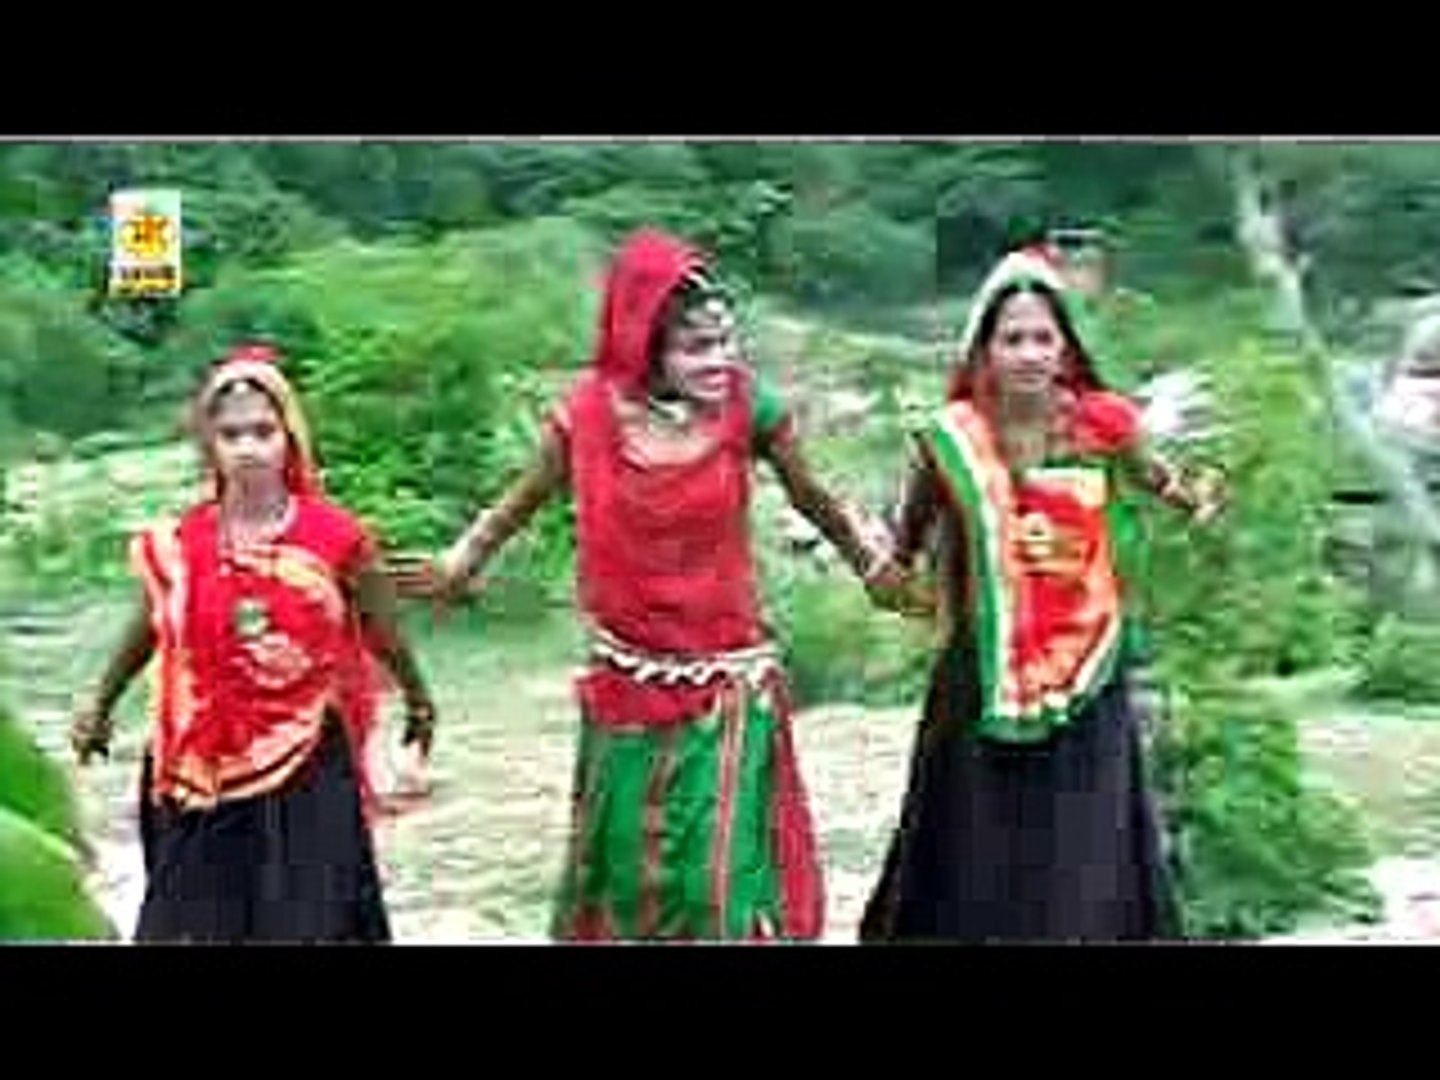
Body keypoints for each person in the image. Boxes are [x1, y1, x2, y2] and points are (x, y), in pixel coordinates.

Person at [391, 228, 898, 942]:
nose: (719, 361)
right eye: (696, 347)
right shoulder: (586, 417)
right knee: (629, 886)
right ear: (645, 346)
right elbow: (519, 502)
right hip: (626, 685)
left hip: (728, 685)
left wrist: (872, 567)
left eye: (726, 342)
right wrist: (460, 562)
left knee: (712, 889)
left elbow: (815, 498)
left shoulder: (750, 411)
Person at [858, 248, 1224, 943]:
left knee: (1081, 833)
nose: (1029, 354)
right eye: (1012, 339)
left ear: (1066, 347)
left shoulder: (1100, 423)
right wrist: (892, 572)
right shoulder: (952, 439)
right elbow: (911, 534)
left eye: (1042, 338)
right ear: (984, 350)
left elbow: (1154, 475)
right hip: (981, 670)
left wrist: (1193, 500)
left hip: (1086, 669)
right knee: (978, 833)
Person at [69, 343, 437, 943]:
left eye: (263, 432)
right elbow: (149, 628)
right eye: (231, 434)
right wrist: (100, 706)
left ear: (289, 437)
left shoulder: (336, 538)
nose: (248, 448)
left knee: (306, 921)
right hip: (198, 769)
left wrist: (420, 702)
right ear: (209, 445)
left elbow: (384, 632)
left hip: (305, 765)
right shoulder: (181, 544)